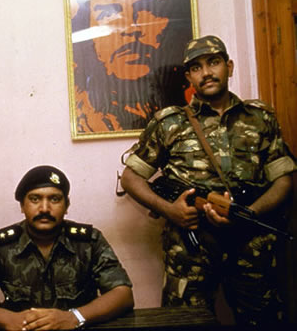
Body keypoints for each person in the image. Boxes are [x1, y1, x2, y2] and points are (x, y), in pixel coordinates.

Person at [120, 35, 297, 325]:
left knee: (264, 321)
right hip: (191, 249)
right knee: (185, 322)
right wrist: (170, 210)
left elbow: (283, 181)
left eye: (213, 62)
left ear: (229, 66)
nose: (206, 73)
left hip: (251, 244)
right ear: (189, 76)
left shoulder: (260, 118)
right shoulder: (169, 122)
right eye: (197, 67)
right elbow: (130, 178)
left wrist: (250, 214)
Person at [0, 165, 134, 330]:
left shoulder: (88, 242)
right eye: (35, 199)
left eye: (54, 199)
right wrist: (8, 319)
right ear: (22, 206)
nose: (44, 208)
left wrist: (73, 318)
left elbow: (122, 294)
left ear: (66, 206)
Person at [70, 0, 192, 132]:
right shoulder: (83, 121)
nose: (129, 28)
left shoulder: (196, 119)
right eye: (107, 14)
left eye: (149, 11)